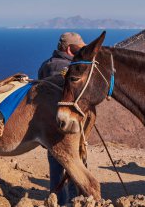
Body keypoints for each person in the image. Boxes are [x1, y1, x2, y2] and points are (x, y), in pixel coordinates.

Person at [38, 32, 85, 205]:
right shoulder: (60, 66)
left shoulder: (46, 64)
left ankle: (64, 201)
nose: (80, 51)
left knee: (59, 169)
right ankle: (67, 202)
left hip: (52, 126)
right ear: (69, 48)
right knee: (67, 170)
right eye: (78, 48)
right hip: (60, 128)